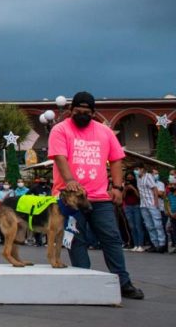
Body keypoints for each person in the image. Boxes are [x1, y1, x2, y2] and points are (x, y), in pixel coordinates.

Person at [48, 91, 144, 300]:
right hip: (71, 199)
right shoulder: (60, 129)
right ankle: (85, 281)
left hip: (100, 197)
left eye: (86, 112)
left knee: (111, 237)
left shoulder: (105, 132)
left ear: (93, 113)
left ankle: (123, 282)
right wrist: (70, 181)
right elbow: (60, 157)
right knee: (76, 239)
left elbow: (116, 159)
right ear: (71, 111)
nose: (81, 115)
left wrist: (117, 187)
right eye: (77, 111)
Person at [137, 166, 167, 253]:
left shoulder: (148, 176)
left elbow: (154, 188)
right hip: (143, 204)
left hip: (151, 203)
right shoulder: (138, 178)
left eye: (137, 169)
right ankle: (155, 244)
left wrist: (156, 201)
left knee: (157, 224)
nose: (136, 171)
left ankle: (162, 244)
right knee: (149, 225)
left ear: (142, 169)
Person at [122, 172, 145, 252]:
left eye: (131, 177)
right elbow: (123, 197)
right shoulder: (124, 185)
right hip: (127, 207)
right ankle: (135, 244)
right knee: (132, 227)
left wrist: (133, 189)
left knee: (138, 226)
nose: (129, 179)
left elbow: (139, 196)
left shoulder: (137, 185)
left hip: (136, 206)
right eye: (128, 177)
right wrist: (125, 189)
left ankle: (140, 245)